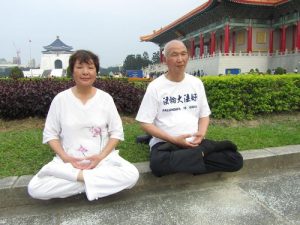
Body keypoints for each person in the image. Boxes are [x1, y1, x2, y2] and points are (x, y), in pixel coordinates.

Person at [28, 50, 139, 201]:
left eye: (90, 67)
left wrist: (100, 157)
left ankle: (80, 181)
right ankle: (91, 182)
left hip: (102, 161)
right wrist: (66, 158)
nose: (85, 72)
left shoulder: (105, 99)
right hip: (69, 162)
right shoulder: (60, 100)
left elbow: (116, 132)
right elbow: (50, 135)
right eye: (80, 67)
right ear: (72, 71)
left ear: (96, 72)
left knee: (132, 175)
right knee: (35, 188)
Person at [135, 40, 243, 177]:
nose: (180, 59)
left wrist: (201, 134)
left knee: (236, 160)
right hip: (167, 143)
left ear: (188, 57)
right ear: (166, 59)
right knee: (158, 165)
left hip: (194, 142)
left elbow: (204, 114)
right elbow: (145, 122)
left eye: (183, 54)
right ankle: (202, 153)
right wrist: (174, 140)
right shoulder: (156, 87)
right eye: (174, 55)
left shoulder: (196, 83)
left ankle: (194, 156)